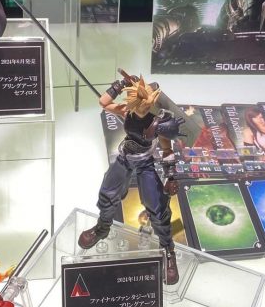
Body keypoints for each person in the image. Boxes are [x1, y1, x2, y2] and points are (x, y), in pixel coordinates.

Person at [77, 75, 184, 284]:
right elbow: (103, 103)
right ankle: (102, 228)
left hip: (145, 164)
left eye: (146, 103)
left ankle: (167, 249)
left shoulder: (158, 122)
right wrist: (120, 84)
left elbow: (167, 150)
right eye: (139, 102)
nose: (143, 106)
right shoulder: (127, 111)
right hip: (125, 158)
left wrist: (171, 176)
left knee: (157, 208)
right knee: (107, 195)